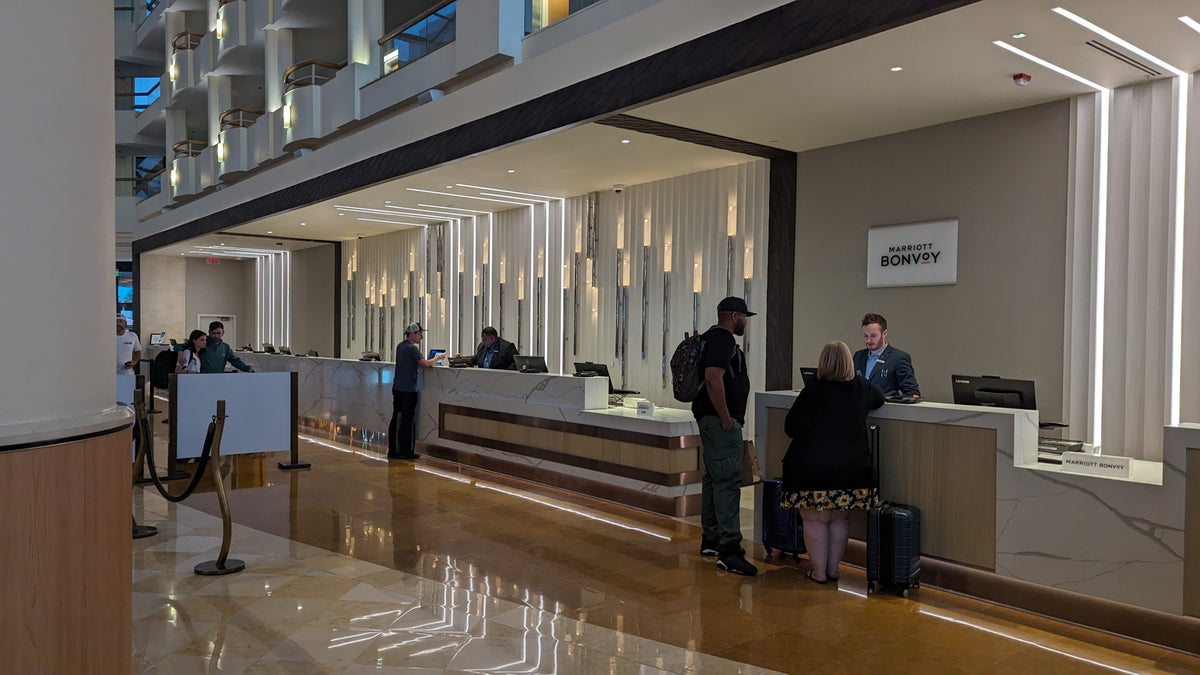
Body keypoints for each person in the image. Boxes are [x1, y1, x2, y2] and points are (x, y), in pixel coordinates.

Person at [781, 341, 885, 584]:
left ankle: (818, 572)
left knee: (815, 519)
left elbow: (791, 427)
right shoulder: (862, 387)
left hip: (812, 467)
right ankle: (834, 569)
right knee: (839, 518)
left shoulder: (813, 390)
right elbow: (879, 398)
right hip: (851, 467)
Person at [692, 296, 758, 576]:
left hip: (709, 420)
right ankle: (729, 549)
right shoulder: (723, 340)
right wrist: (726, 417)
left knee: (714, 477)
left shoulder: (707, 338)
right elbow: (712, 377)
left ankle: (712, 538)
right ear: (733, 316)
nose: (745, 322)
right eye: (744, 317)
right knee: (728, 481)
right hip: (719, 422)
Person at [389, 322, 446, 460]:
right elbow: (426, 364)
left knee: (397, 418)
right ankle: (405, 451)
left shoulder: (400, 346)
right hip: (408, 390)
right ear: (412, 334)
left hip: (398, 388)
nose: (421, 337)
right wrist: (438, 358)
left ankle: (394, 450)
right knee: (406, 421)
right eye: (420, 334)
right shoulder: (411, 349)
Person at [853, 313, 919, 398]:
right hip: (860, 409)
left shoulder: (898, 358)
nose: (869, 340)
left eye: (873, 335)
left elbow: (912, 392)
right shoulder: (858, 356)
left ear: (884, 333)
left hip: (886, 408)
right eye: (866, 336)